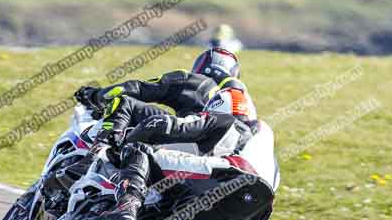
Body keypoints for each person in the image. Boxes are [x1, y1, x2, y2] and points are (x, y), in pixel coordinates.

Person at [80, 85, 268, 220]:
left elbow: (165, 124)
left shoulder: (225, 121)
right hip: (257, 207)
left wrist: (124, 142)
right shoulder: (264, 144)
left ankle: (127, 205)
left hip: (227, 173)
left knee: (139, 151)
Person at [74, 47, 256, 149]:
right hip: (218, 150)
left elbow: (136, 88)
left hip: (181, 138)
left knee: (125, 103)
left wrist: (96, 95)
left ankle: (99, 150)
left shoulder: (192, 80)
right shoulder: (242, 102)